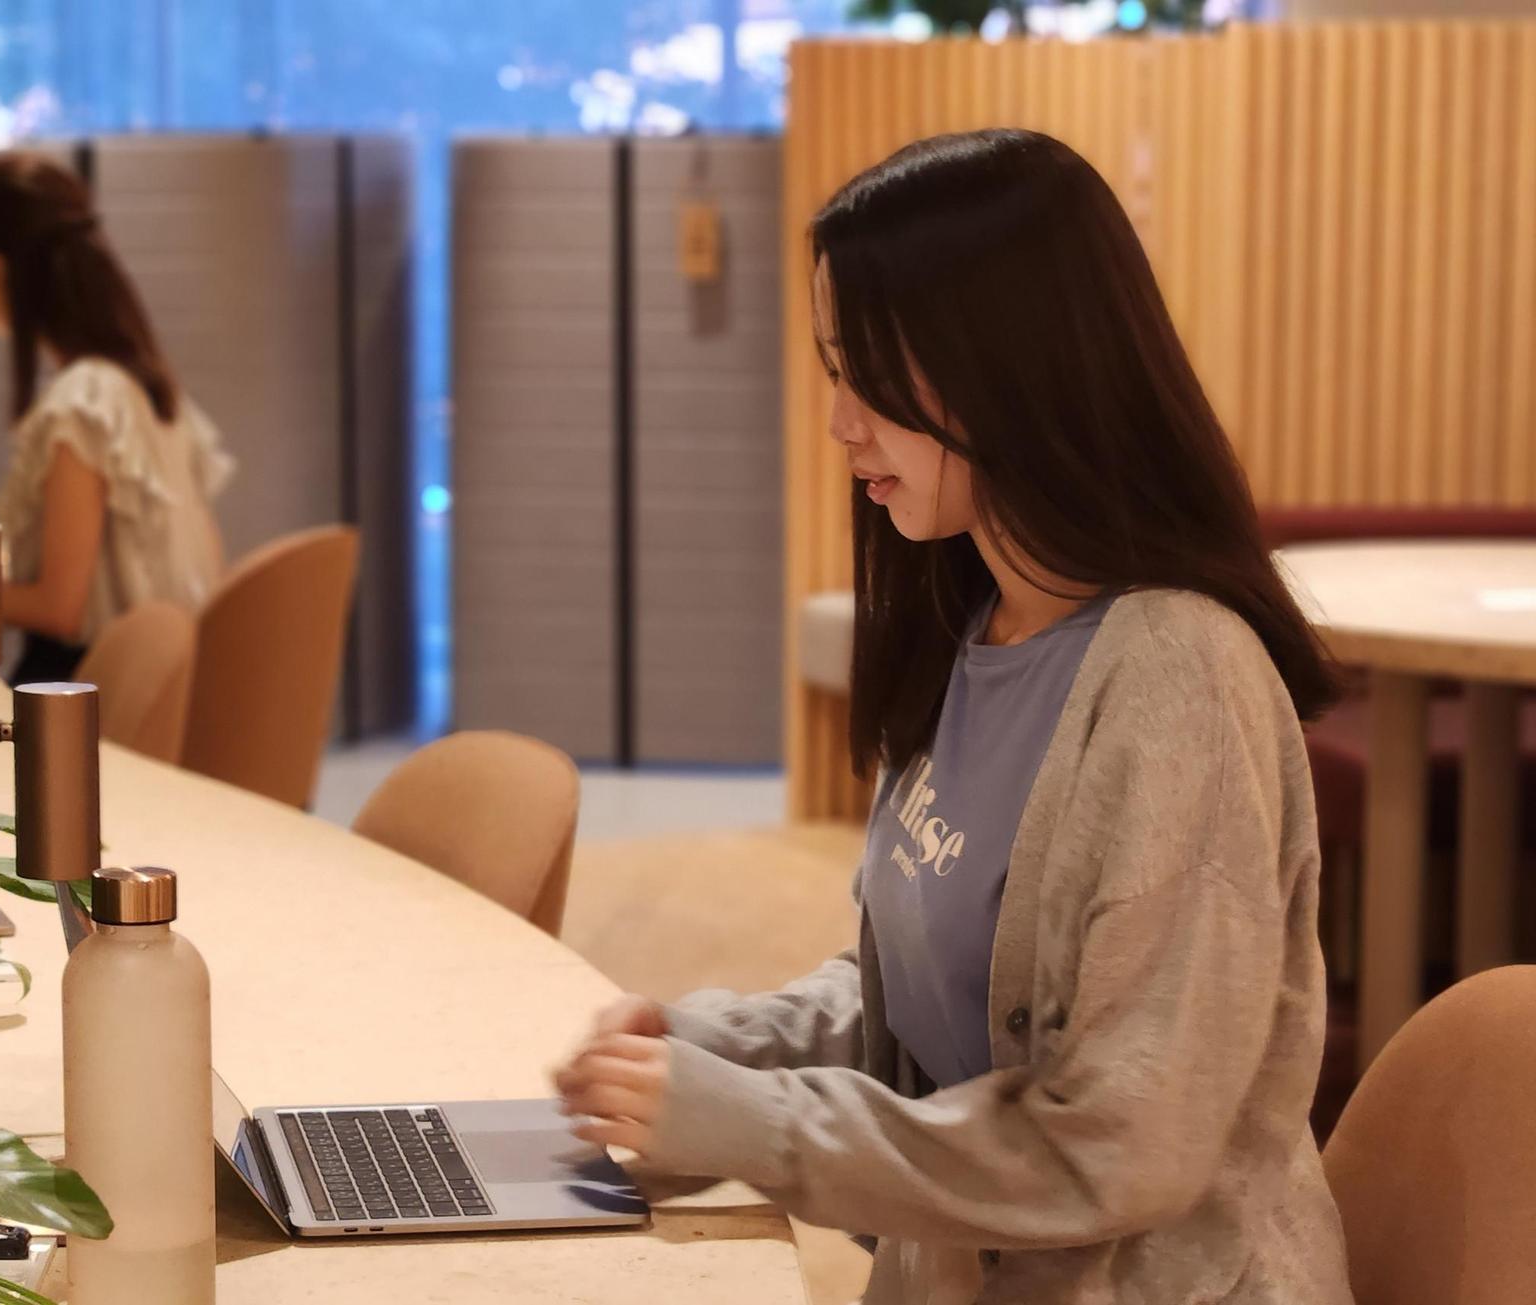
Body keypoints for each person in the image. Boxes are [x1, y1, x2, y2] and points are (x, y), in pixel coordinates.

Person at [554, 129, 1353, 1305]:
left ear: (1010, 364)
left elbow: (1119, 1145)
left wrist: (755, 1122)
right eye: (833, 368)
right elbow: (939, 1001)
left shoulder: (1178, 682)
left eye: (870, 373)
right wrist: (717, 1050)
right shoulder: (969, 622)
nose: (841, 423)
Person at [0, 153, 232, 683]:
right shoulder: (145, 386)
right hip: (155, 685)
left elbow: (60, 609)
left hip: (78, 692)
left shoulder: (83, 404)